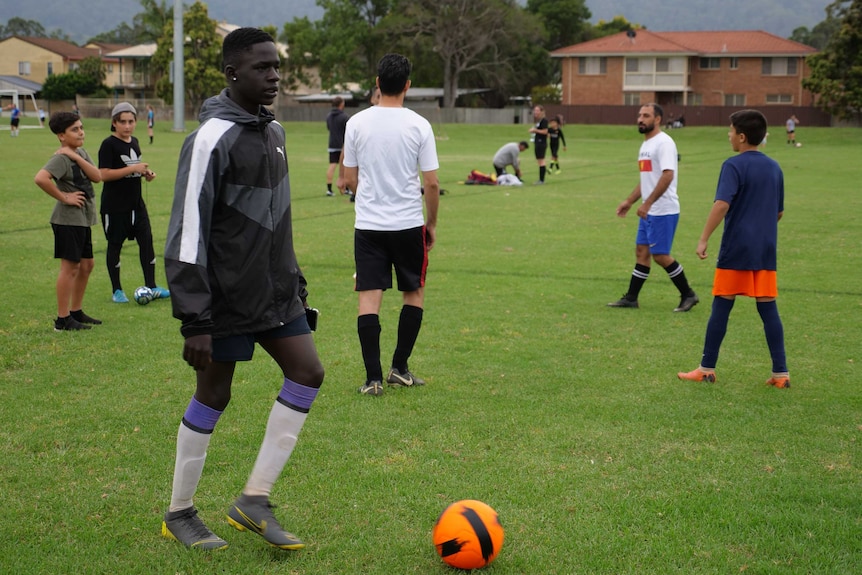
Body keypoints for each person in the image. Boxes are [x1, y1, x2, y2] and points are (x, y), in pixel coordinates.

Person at [161, 27, 325, 551]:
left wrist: (295, 284)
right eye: (261, 68)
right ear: (232, 74)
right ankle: (180, 512)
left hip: (276, 296)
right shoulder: (210, 139)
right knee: (214, 393)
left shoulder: (272, 131)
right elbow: (188, 230)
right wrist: (195, 319)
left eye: (276, 66)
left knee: (308, 372)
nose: (274, 76)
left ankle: (253, 499)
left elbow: (277, 219)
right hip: (223, 301)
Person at [342, 53, 440, 397]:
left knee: (369, 298)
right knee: (413, 292)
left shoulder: (355, 123)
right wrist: (431, 223)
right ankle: (400, 368)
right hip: (408, 224)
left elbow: (348, 178)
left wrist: (370, 199)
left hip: (368, 226)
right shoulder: (419, 125)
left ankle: (373, 379)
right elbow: (430, 183)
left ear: (378, 83)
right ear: (408, 86)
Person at [678, 109, 789, 388]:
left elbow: (721, 204)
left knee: (722, 305)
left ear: (741, 137)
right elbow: (778, 213)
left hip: (737, 248)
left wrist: (703, 238)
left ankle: (706, 369)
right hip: (765, 250)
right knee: (768, 309)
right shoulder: (775, 167)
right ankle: (780, 374)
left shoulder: (733, 165)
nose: (728, 136)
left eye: (730, 131)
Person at [607, 103, 698, 312]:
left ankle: (688, 294)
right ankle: (631, 298)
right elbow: (647, 179)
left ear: (657, 119)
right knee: (642, 252)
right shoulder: (646, 144)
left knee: (660, 255)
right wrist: (630, 201)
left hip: (663, 209)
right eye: (639, 115)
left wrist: (647, 204)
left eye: (646, 116)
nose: (640, 119)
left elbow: (668, 175)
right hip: (649, 210)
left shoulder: (664, 143)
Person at [34, 111, 103, 331]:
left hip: (82, 220)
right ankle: (62, 319)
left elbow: (97, 176)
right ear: (61, 136)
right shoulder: (60, 158)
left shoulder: (77, 153)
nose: (81, 132)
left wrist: (76, 157)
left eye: (81, 127)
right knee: (70, 267)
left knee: (87, 265)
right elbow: (41, 178)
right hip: (67, 220)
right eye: (75, 129)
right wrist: (65, 197)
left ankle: (76, 311)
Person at [98, 102, 169, 304]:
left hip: (137, 205)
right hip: (115, 207)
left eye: (131, 121)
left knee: (147, 243)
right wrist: (133, 169)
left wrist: (145, 173)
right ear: (114, 123)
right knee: (115, 246)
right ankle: (117, 290)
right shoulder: (108, 145)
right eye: (123, 122)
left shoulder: (135, 141)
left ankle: (152, 286)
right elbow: (103, 174)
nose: (127, 126)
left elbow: (132, 168)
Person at [325, 96, 348, 196]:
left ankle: (329, 189)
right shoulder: (344, 117)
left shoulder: (329, 116)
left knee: (332, 165)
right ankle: (346, 188)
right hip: (343, 145)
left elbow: (329, 128)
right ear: (341, 104)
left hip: (332, 144)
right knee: (346, 166)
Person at [528, 105, 548, 184]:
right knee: (539, 161)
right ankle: (541, 179)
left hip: (541, 143)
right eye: (535, 110)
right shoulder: (538, 121)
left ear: (541, 112)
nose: (535, 112)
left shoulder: (544, 121)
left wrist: (535, 130)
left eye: (537, 110)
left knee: (541, 161)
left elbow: (545, 131)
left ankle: (541, 180)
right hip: (537, 142)